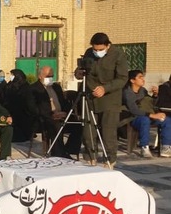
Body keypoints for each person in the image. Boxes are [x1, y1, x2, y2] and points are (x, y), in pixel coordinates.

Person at [76, 32, 128, 168]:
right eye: (95, 49)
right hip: (90, 96)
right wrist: (78, 73)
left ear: (108, 45)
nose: (97, 52)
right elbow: (82, 68)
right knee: (88, 131)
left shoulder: (118, 55)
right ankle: (90, 158)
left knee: (108, 132)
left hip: (110, 98)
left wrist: (105, 88)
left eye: (100, 49)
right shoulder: (89, 53)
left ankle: (109, 160)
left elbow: (122, 78)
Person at [30, 66, 82, 158]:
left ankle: (69, 150)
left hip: (61, 115)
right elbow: (34, 107)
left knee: (78, 124)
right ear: (40, 76)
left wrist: (66, 112)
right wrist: (52, 115)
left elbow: (64, 102)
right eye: (47, 76)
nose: (50, 78)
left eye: (51, 76)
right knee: (56, 125)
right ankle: (58, 153)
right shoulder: (34, 89)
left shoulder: (56, 87)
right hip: (45, 118)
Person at [123, 70, 171, 158]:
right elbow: (133, 110)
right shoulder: (127, 92)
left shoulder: (143, 90)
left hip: (147, 115)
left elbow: (150, 103)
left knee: (167, 120)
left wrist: (155, 95)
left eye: (143, 77)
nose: (143, 79)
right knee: (144, 120)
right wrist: (152, 115)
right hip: (133, 117)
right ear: (132, 80)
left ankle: (166, 147)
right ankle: (144, 147)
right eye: (140, 77)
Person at [2, 69, 36, 142]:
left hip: (23, 114)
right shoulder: (9, 86)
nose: (11, 77)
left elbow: (29, 102)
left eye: (12, 75)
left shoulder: (25, 87)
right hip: (10, 113)